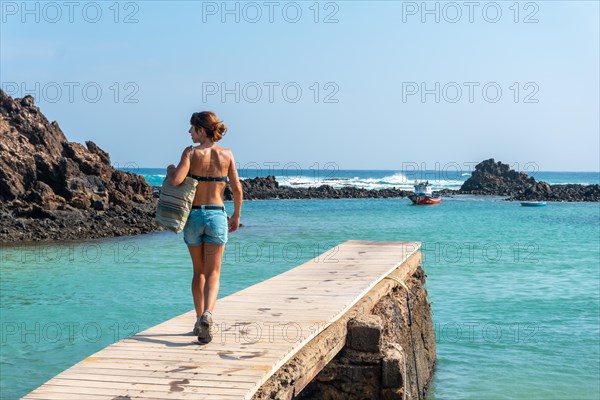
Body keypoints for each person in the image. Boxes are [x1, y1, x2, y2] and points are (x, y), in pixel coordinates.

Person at [166, 111, 242, 344]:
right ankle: (209, 314)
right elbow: (237, 189)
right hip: (217, 215)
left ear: (201, 129)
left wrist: (170, 169)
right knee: (213, 273)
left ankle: (199, 319)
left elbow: (177, 180)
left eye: (192, 128)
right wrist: (237, 214)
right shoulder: (226, 154)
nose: (189, 132)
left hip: (194, 217)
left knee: (198, 271)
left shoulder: (190, 152)